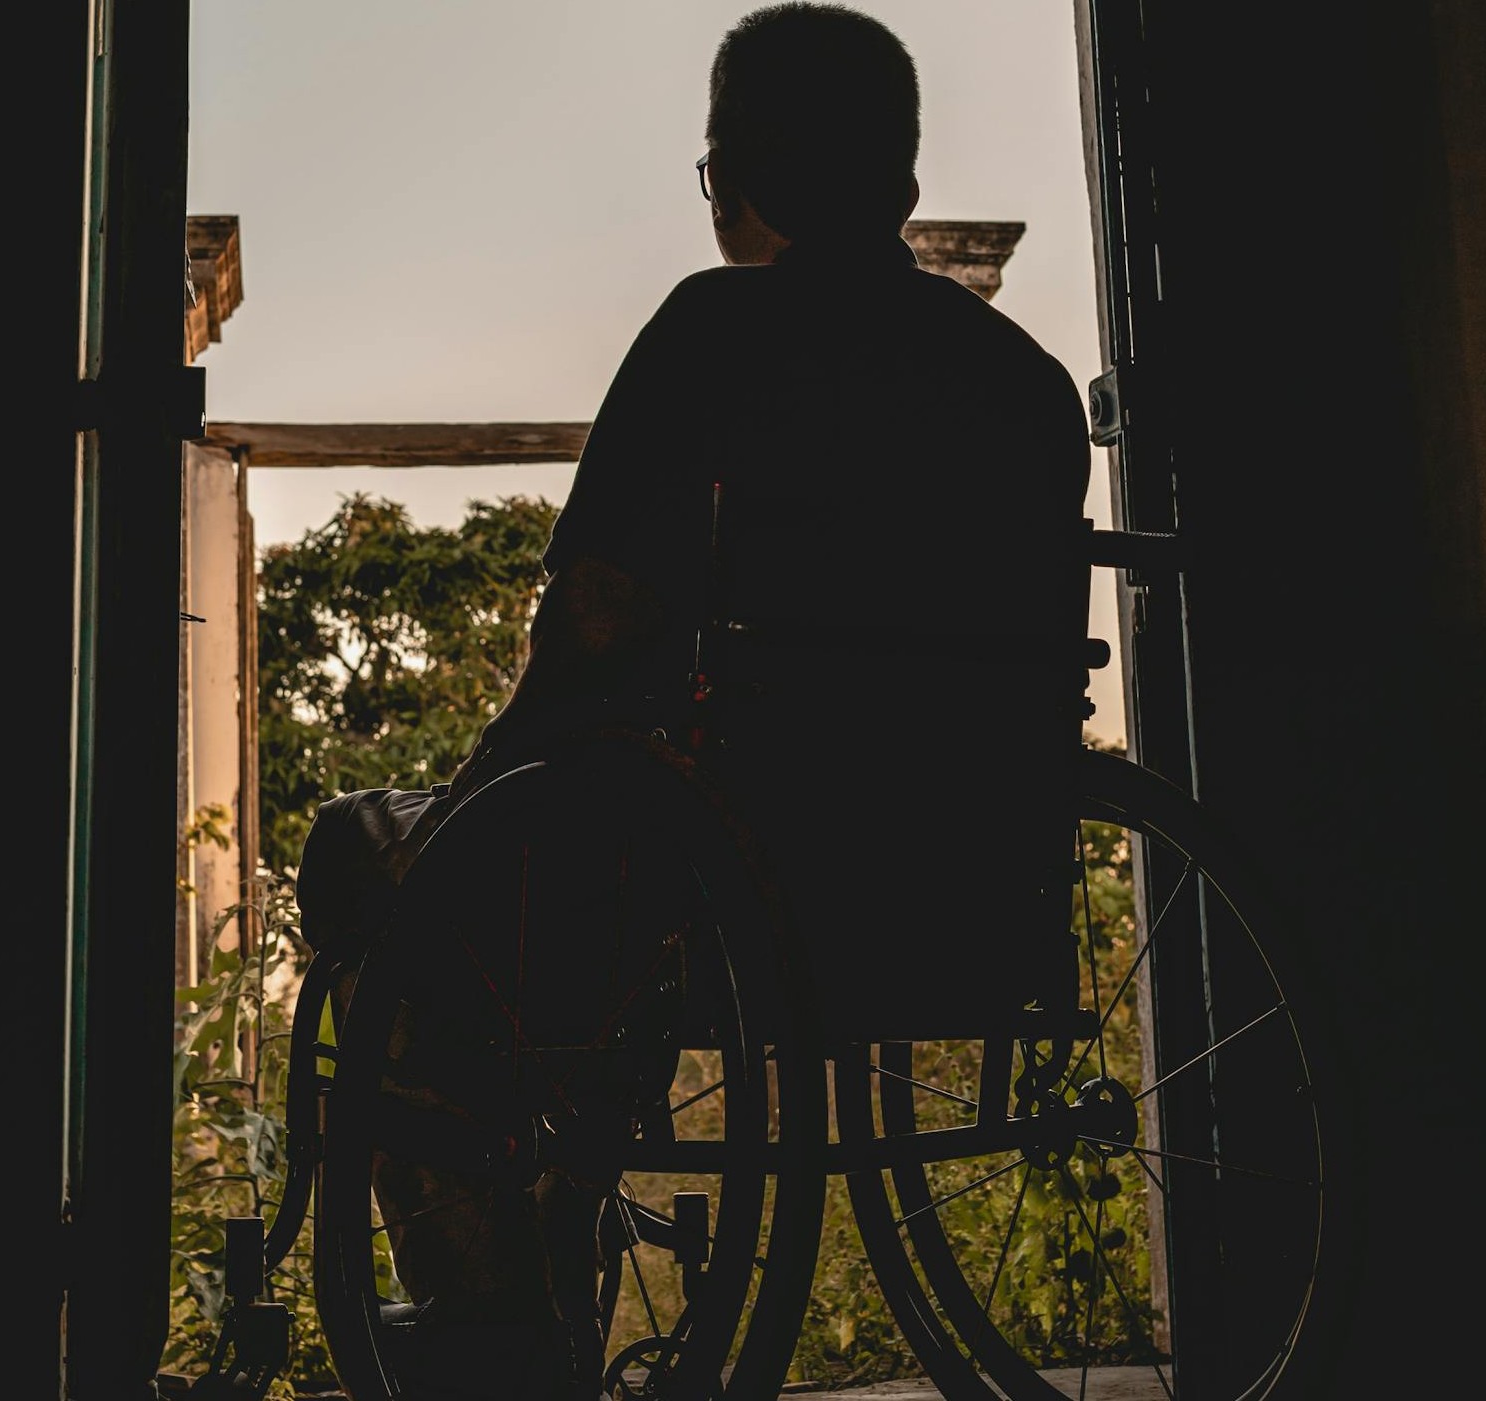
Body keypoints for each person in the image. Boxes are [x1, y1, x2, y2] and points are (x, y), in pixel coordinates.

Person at [295, 5, 1091, 1396]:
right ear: (898, 180)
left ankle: (494, 1304)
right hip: (956, 874)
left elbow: (594, 622)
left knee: (374, 853)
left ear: (741, 174)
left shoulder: (718, 330)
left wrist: (476, 796)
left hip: (715, 862)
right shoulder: (1020, 386)